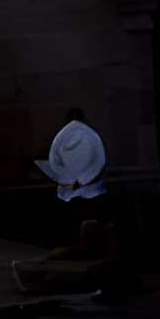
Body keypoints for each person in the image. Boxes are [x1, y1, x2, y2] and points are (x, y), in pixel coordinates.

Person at [37, 105, 107, 247]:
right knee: (78, 226)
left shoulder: (88, 138)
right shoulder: (66, 139)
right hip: (77, 193)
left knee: (89, 225)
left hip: (87, 191)